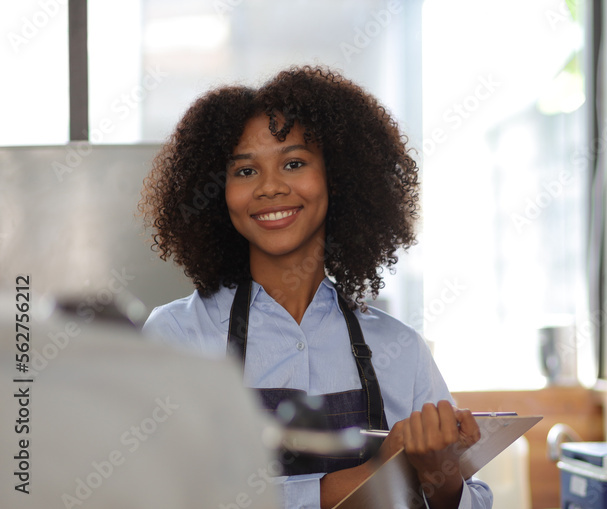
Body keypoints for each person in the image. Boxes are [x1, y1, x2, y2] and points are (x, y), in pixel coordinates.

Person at [139, 65, 491, 509]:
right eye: (245, 171)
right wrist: (374, 474)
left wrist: (438, 475)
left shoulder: (402, 350)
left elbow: (470, 500)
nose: (269, 187)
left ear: (338, 177)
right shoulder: (176, 338)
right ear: (217, 193)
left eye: (294, 163)